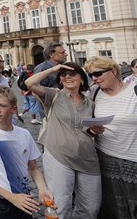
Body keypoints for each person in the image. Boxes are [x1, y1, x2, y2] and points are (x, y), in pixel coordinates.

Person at [25, 62, 101, 218]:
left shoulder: (90, 103)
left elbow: (87, 129)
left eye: (72, 74)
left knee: (91, 207)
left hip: (87, 157)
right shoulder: (54, 95)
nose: (68, 77)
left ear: (82, 79)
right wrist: (54, 69)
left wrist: (93, 131)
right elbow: (29, 83)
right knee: (60, 205)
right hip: (58, 155)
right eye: (64, 75)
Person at [0, 86, 54, 218]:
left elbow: (34, 168)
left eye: (2, 106)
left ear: (13, 109)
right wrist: (10, 197)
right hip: (1, 203)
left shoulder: (24, 134)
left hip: (24, 200)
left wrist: (42, 189)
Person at [84, 56, 137, 219]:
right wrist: (92, 131)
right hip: (106, 159)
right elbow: (87, 127)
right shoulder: (94, 93)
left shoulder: (134, 89)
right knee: (114, 207)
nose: (94, 78)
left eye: (98, 74)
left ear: (113, 71)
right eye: (91, 75)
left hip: (133, 159)